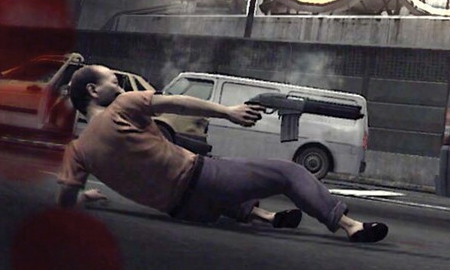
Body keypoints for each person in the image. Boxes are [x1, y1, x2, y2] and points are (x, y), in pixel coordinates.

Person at [56, 65, 389, 243]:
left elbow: (67, 199)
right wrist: (228, 111)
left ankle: (269, 217)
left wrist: (84, 199)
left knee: (227, 185)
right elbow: (176, 103)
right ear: (93, 91)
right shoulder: (123, 105)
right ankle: (349, 225)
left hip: (183, 210)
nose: (119, 85)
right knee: (289, 173)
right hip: (200, 179)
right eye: (113, 81)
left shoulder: (78, 149)